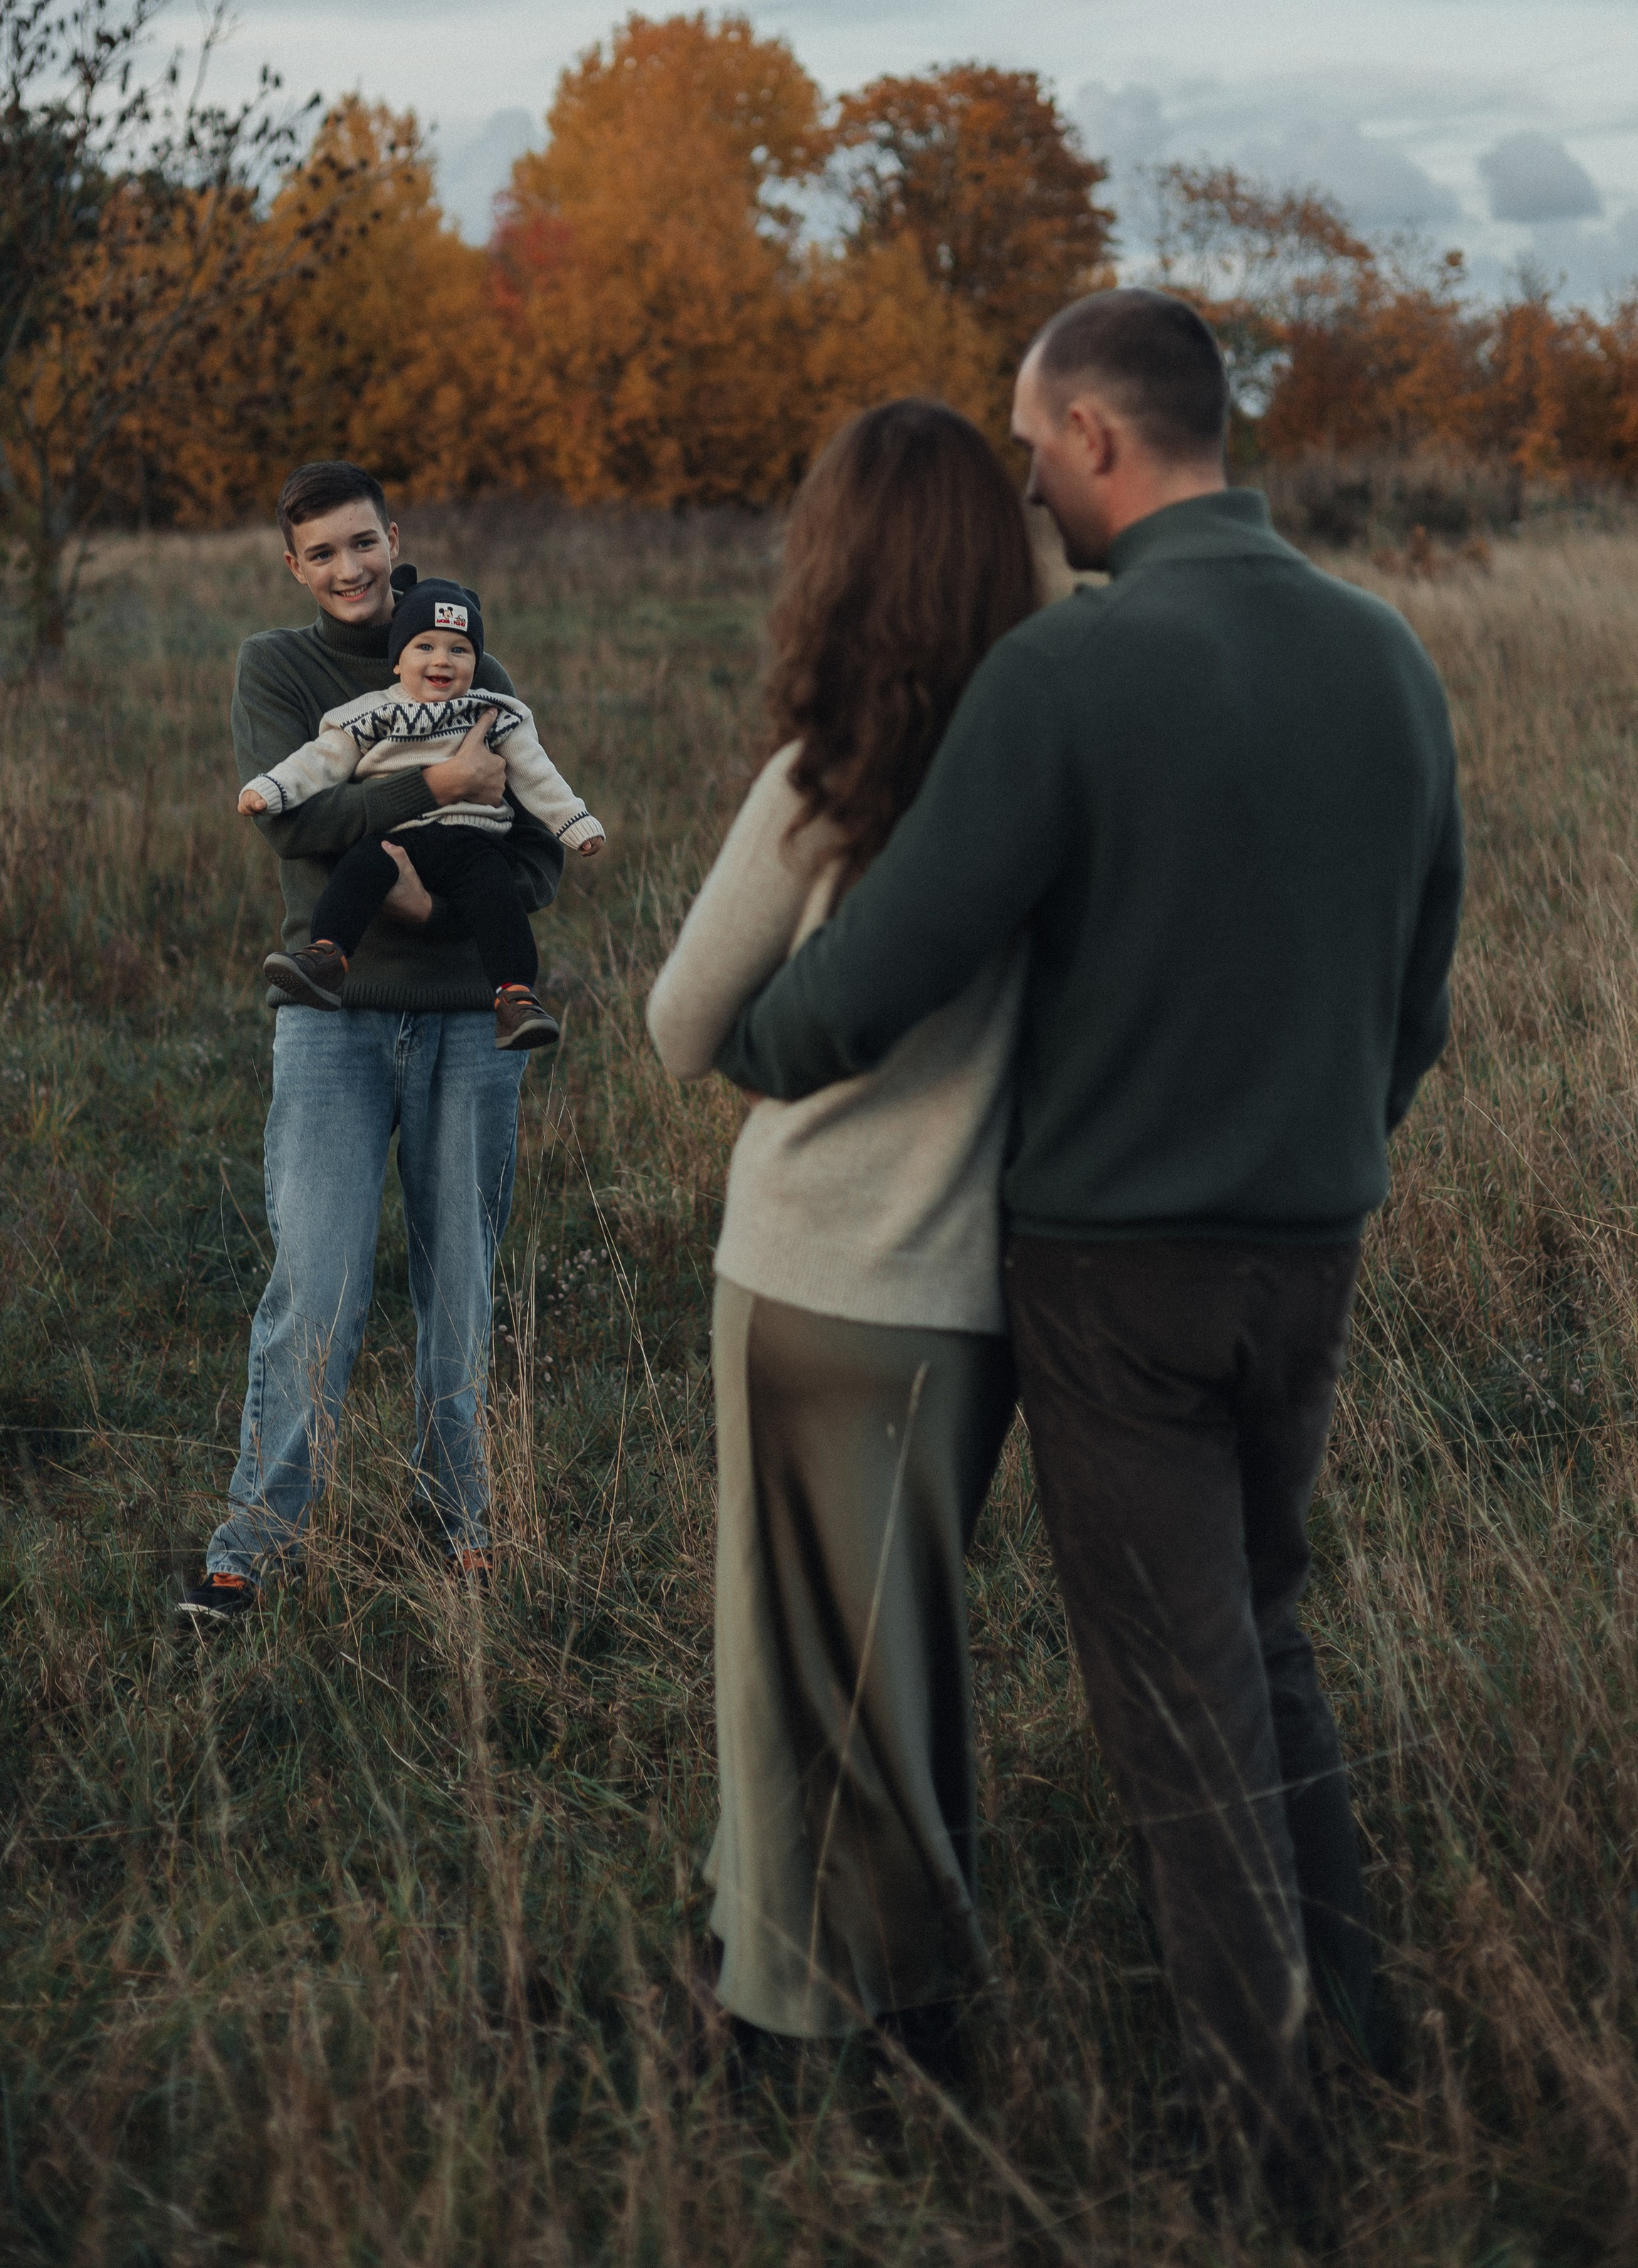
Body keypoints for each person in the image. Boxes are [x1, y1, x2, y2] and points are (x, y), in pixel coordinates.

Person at [715, 292, 1464, 2189]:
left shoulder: (1078, 672)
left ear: (1104, 441)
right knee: (1266, 1635)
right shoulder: (1389, 659)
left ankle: (1267, 2147)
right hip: (1313, 1243)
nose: (1026, 481)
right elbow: (1420, 996)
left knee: (1176, 1703)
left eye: (1038, 444)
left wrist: (760, 1042)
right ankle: (1361, 2025)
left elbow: (876, 971)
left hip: (1116, 1269)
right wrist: (1319, 1155)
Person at [646, 399, 1038, 2070]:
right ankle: (818, 1955)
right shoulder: (1054, 774)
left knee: (792, 1670)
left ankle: (809, 2015)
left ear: (837, 566)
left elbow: (677, 1025)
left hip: (814, 1283)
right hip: (979, 1302)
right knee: (898, 1651)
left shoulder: (825, 788)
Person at [180, 462, 564, 1622]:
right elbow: (289, 816)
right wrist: (439, 787)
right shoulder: (279, 667)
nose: (352, 569)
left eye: (365, 544)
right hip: (332, 1020)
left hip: (465, 1020)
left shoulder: (470, 664)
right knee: (320, 1280)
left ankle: (462, 1524)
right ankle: (258, 1538)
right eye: (325, 554)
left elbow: (534, 856)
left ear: (395, 539)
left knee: (460, 1282)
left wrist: (435, 902)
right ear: (296, 568)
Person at [238, 575, 605, 1051]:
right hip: (397, 836)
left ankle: (515, 998)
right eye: (425, 646)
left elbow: (538, 774)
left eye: (460, 650)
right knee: (360, 870)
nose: (442, 661)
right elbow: (320, 759)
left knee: (497, 896)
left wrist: (576, 825)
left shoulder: (495, 713)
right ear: (397, 660)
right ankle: (326, 957)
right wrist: (270, 789)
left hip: (474, 842)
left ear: (478, 662)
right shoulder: (370, 712)